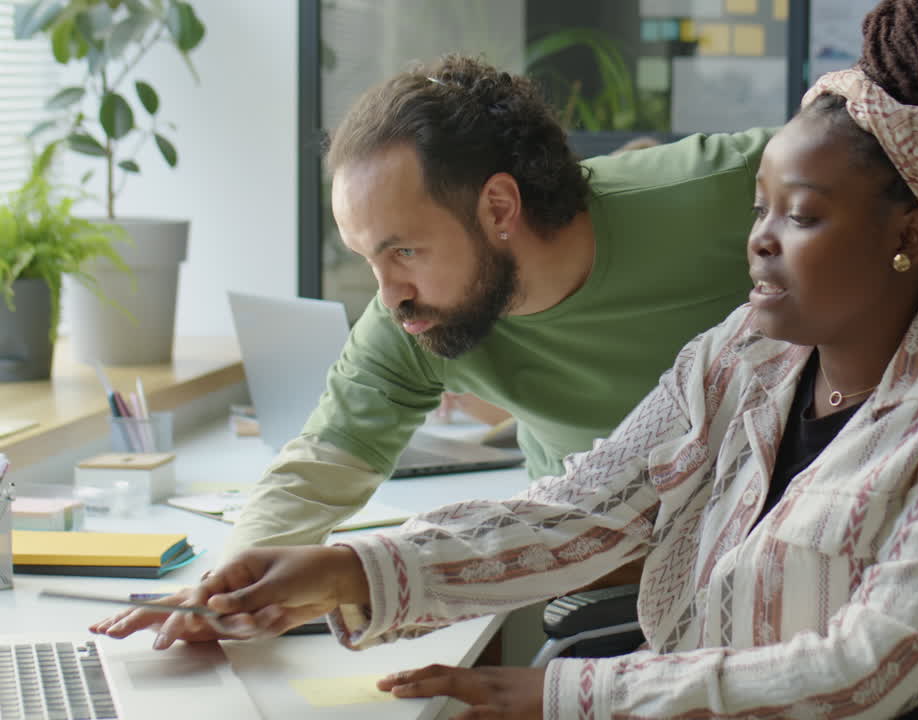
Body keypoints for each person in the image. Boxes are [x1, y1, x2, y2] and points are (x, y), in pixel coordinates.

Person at [95, 1, 918, 716]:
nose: (758, 240)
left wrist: (559, 695)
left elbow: (864, 668)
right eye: (760, 210)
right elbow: (583, 508)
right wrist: (349, 566)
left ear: (907, 233)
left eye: (801, 215)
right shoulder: (744, 351)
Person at [231, 55, 768, 557]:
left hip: (769, 548)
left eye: (405, 251)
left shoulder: (721, 192)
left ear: (498, 207)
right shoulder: (413, 317)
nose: (389, 293)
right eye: (368, 258)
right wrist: (226, 586)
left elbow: (847, 145)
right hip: (596, 566)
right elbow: (320, 467)